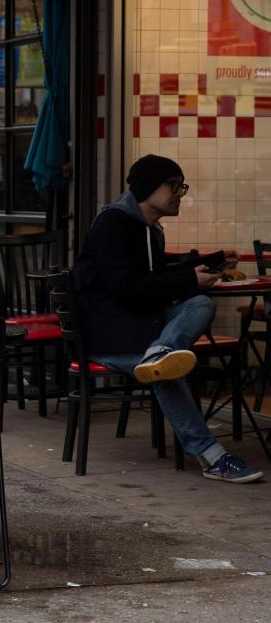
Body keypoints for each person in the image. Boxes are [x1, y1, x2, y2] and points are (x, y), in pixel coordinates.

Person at [73, 154, 263, 483]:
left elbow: (156, 276)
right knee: (165, 372)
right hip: (110, 337)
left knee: (201, 304)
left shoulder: (150, 229)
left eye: (181, 186)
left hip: (143, 330)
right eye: (173, 185)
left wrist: (211, 263)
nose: (179, 193)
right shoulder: (112, 225)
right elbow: (126, 288)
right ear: (150, 186)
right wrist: (189, 279)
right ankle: (212, 457)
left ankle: (161, 351)